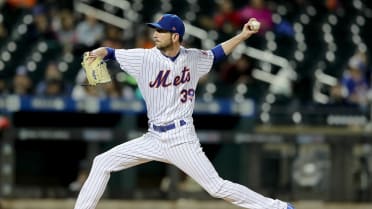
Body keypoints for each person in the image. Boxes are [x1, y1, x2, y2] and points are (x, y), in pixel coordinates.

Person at [73, 14, 295, 209]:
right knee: (102, 162)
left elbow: (216, 54)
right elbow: (112, 53)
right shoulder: (144, 58)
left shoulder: (193, 58)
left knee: (216, 187)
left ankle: (277, 207)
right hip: (153, 137)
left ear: (175, 35)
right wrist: (101, 51)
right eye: (155, 30)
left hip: (181, 139)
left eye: (161, 31)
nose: (155, 34)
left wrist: (242, 36)